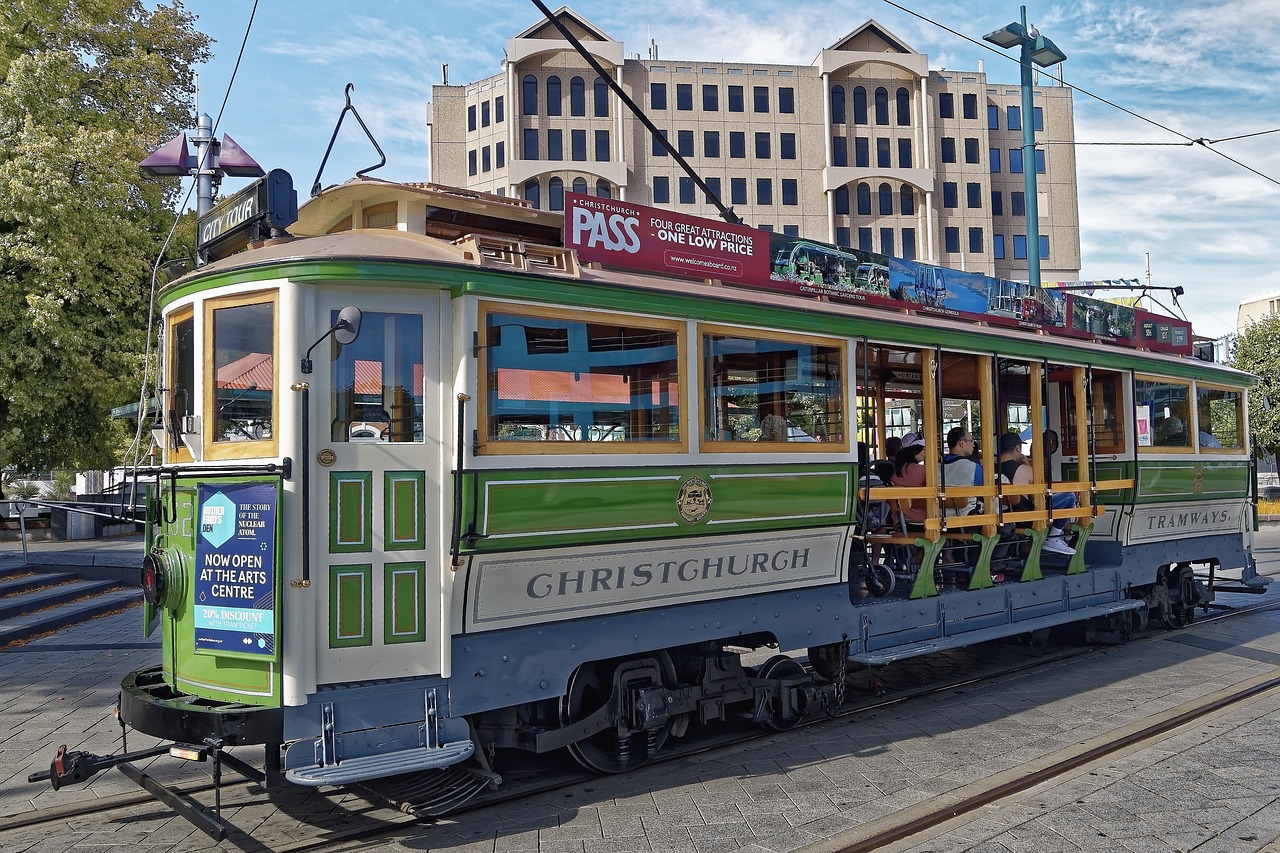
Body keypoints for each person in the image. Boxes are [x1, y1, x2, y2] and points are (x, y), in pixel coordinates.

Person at [997, 432, 1075, 556]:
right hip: (1026, 517)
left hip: (1002, 519)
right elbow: (1036, 498)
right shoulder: (1024, 470)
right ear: (1018, 448)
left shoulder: (990, 469)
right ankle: (1053, 537)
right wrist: (1028, 466)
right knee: (1070, 497)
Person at [942, 427, 984, 516]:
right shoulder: (972, 467)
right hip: (967, 519)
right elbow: (985, 488)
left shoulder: (935, 467)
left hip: (941, 517)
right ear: (961, 443)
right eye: (971, 441)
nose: (973, 445)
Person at [890, 433, 927, 526]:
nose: (925, 452)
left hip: (900, 521)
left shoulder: (893, 472)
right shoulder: (924, 471)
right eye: (923, 449)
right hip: (924, 520)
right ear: (915, 450)